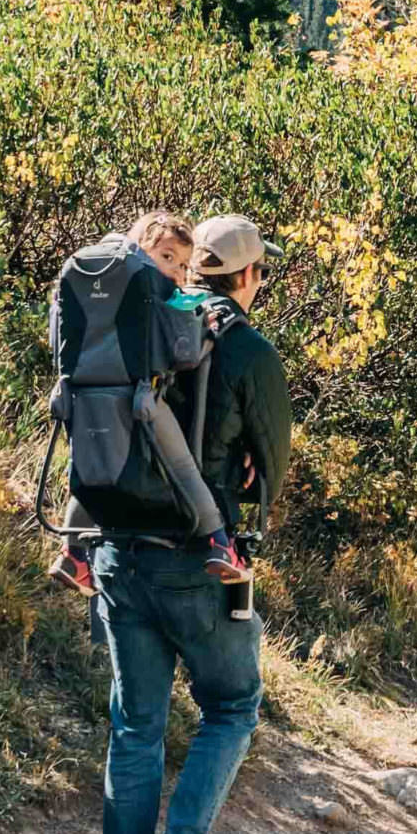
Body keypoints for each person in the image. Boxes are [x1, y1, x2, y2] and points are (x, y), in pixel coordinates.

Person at [92, 212, 292, 834]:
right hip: (208, 562)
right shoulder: (247, 350)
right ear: (247, 277)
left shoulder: (138, 322)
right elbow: (273, 466)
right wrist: (245, 468)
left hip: (116, 552)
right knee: (235, 702)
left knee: (135, 727)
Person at [48, 211, 248, 599]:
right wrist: (206, 332)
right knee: (182, 466)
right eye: (168, 256)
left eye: (183, 264)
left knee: (88, 473)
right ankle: (220, 544)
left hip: (80, 399)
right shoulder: (149, 291)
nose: (176, 270)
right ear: (142, 244)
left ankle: (72, 555)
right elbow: (183, 355)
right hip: (138, 400)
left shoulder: (92, 279)